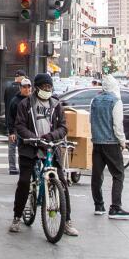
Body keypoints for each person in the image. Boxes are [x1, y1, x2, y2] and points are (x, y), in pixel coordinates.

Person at [10, 73, 77, 236]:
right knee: (25, 182)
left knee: (61, 182)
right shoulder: (25, 104)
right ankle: (17, 217)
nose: (47, 90)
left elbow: (63, 127)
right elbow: (19, 125)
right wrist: (33, 138)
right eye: (44, 87)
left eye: (49, 87)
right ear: (37, 87)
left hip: (51, 147)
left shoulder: (56, 105)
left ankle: (67, 221)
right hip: (30, 147)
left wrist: (51, 137)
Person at [89, 73, 129, 219]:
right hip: (111, 143)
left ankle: (98, 205)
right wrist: (122, 141)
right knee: (118, 174)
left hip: (97, 142)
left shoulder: (95, 100)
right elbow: (117, 125)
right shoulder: (116, 101)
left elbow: (91, 120)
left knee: (97, 175)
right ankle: (115, 207)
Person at [3, 74, 31, 175]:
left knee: (24, 150)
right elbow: (10, 116)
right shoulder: (15, 101)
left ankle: (23, 167)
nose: (27, 89)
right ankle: (12, 168)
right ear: (20, 88)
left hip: (26, 129)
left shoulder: (32, 101)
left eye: (28, 87)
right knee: (12, 147)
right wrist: (11, 131)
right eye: (24, 87)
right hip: (15, 128)